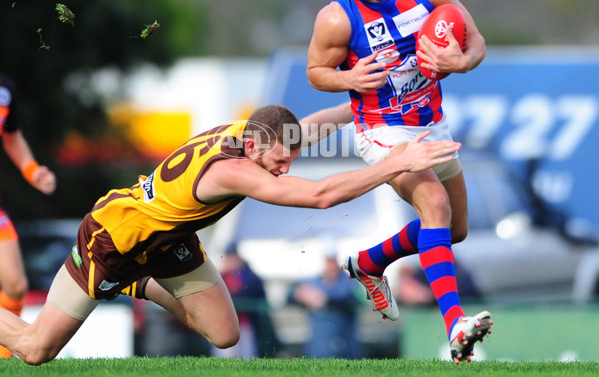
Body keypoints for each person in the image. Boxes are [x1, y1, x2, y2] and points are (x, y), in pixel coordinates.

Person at [0, 102, 460, 365]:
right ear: (258, 147)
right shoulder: (233, 171)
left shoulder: (256, 132)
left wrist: (358, 99)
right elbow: (320, 196)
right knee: (36, 350)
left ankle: (140, 284)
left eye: (289, 160)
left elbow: (304, 132)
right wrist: (394, 164)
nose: (284, 169)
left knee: (224, 335)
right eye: (279, 161)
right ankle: (130, 278)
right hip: (113, 238)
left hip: (169, 241)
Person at [306, 0, 492, 364]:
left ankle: (369, 262)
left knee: (455, 230)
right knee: (436, 207)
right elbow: (315, 72)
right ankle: (456, 329)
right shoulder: (336, 19)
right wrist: (349, 77)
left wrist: (459, 62)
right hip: (381, 131)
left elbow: (477, 43)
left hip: (431, 122)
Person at [0, 73, 56, 359]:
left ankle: (3, 360)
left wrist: (33, 171)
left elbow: (12, 137)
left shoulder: (6, 87)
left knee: (15, 285)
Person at [291, 248, 363, 359]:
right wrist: (299, 293)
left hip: (346, 348)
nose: (331, 265)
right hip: (318, 349)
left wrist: (326, 299)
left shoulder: (350, 281)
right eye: (328, 261)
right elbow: (290, 296)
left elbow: (359, 298)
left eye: (333, 260)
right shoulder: (312, 281)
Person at [212, 243, 280, 358]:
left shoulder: (247, 274)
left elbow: (249, 291)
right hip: (223, 322)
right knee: (225, 355)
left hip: (245, 323)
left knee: (247, 354)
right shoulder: (222, 275)